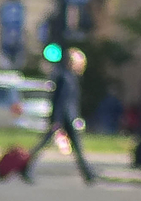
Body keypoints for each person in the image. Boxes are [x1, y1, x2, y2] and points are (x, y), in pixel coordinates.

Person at [22, 50, 95, 184]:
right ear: (72, 63)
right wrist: (56, 120)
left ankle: (88, 174)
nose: (82, 66)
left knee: (72, 147)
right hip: (64, 118)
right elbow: (61, 101)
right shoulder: (66, 78)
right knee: (52, 145)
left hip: (66, 118)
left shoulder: (69, 77)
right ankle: (25, 166)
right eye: (80, 63)